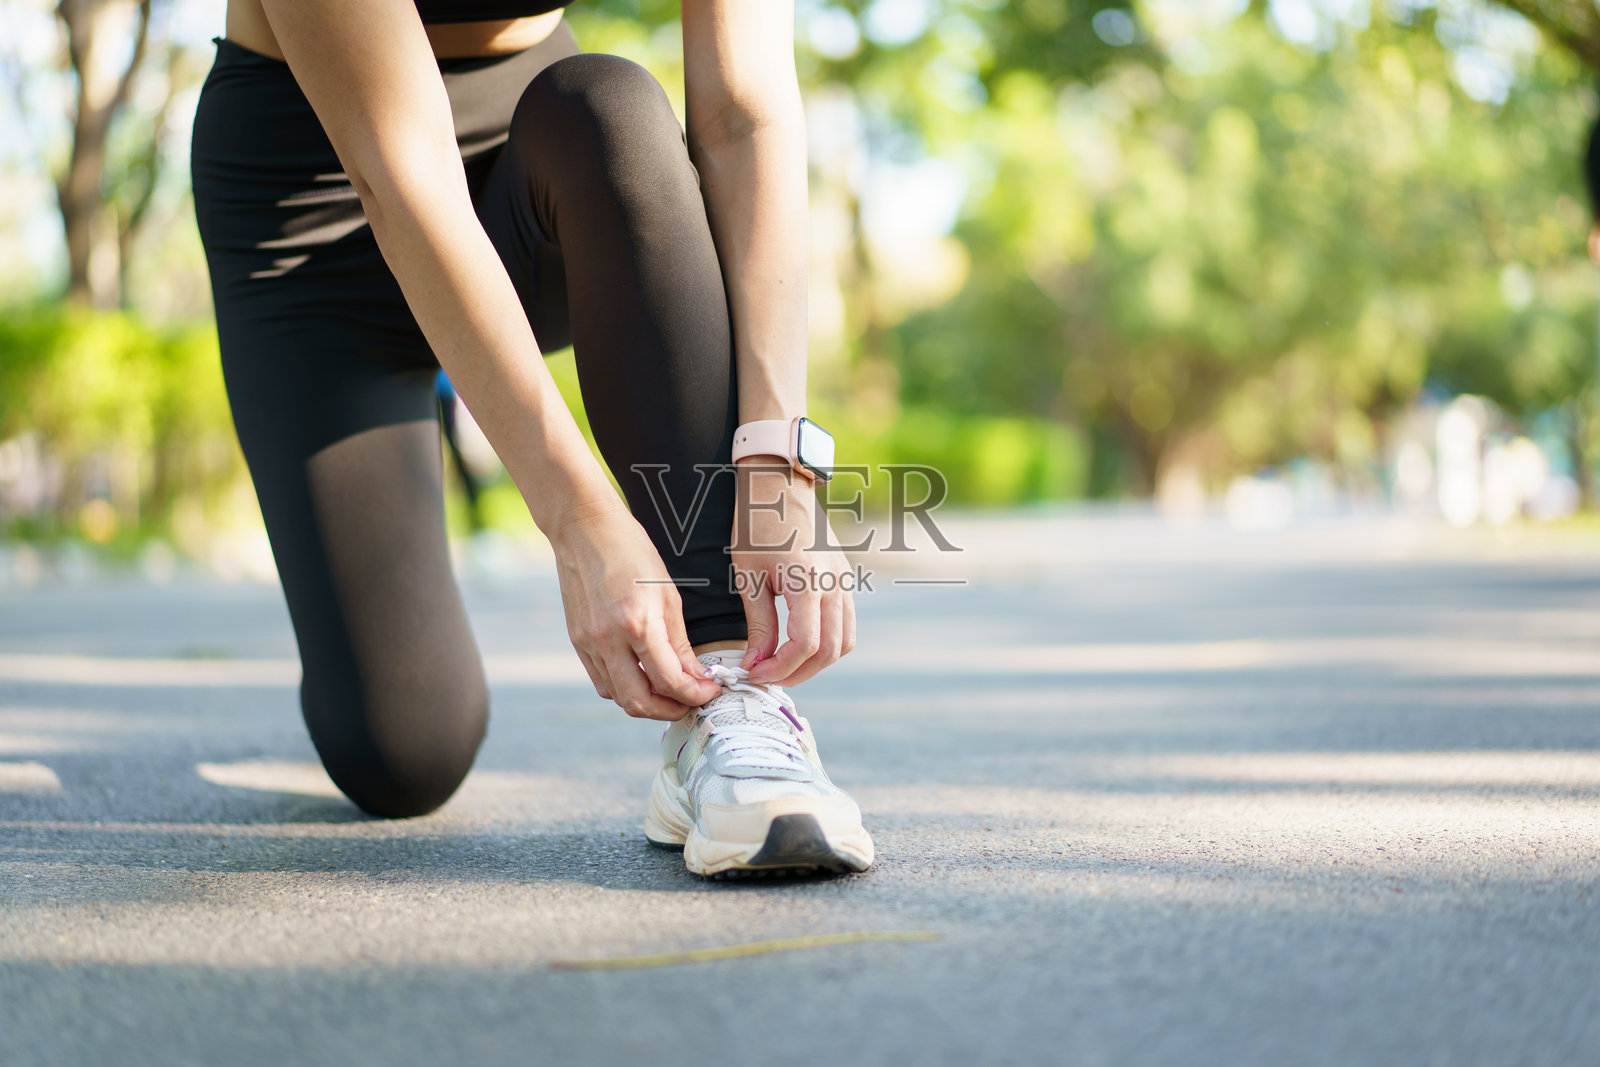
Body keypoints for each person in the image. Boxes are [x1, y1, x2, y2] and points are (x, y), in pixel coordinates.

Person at [189, 0, 872, 877]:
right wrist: (581, 519)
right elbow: (403, 178)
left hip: (534, 163)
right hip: (316, 223)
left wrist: (777, 460)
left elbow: (745, 113)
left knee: (609, 107)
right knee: (402, 751)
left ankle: (728, 703)